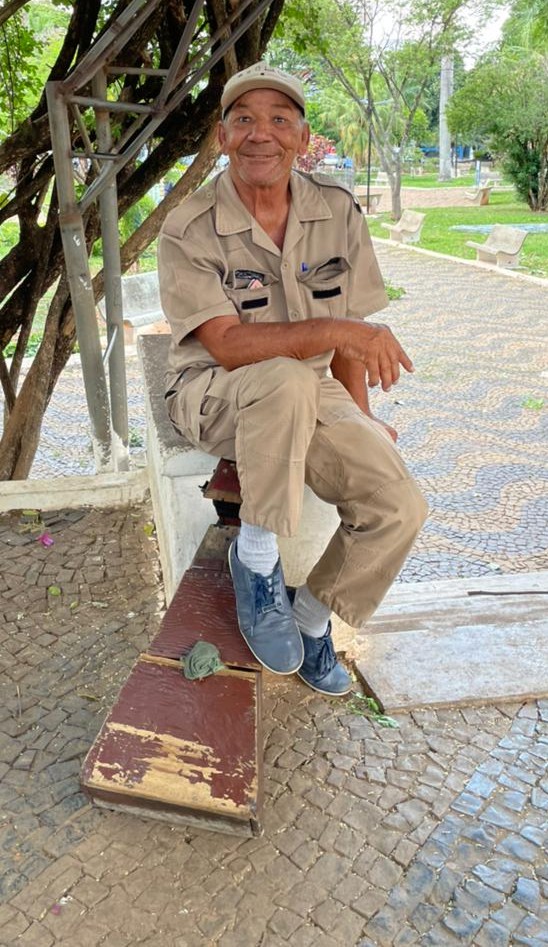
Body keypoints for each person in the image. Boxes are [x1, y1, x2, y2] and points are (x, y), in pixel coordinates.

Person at [158, 62, 428, 697]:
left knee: (397, 506)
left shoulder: (335, 211)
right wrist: (338, 332)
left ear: (302, 138)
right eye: (243, 119)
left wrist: (362, 417)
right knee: (282, 378)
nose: (261, 134)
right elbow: (228, 346)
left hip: (310, 390)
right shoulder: (189, 226)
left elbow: (348, 334)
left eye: (279, 119)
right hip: (213, 392)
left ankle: (310, 616)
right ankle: (256, 560)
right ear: (222, 137)